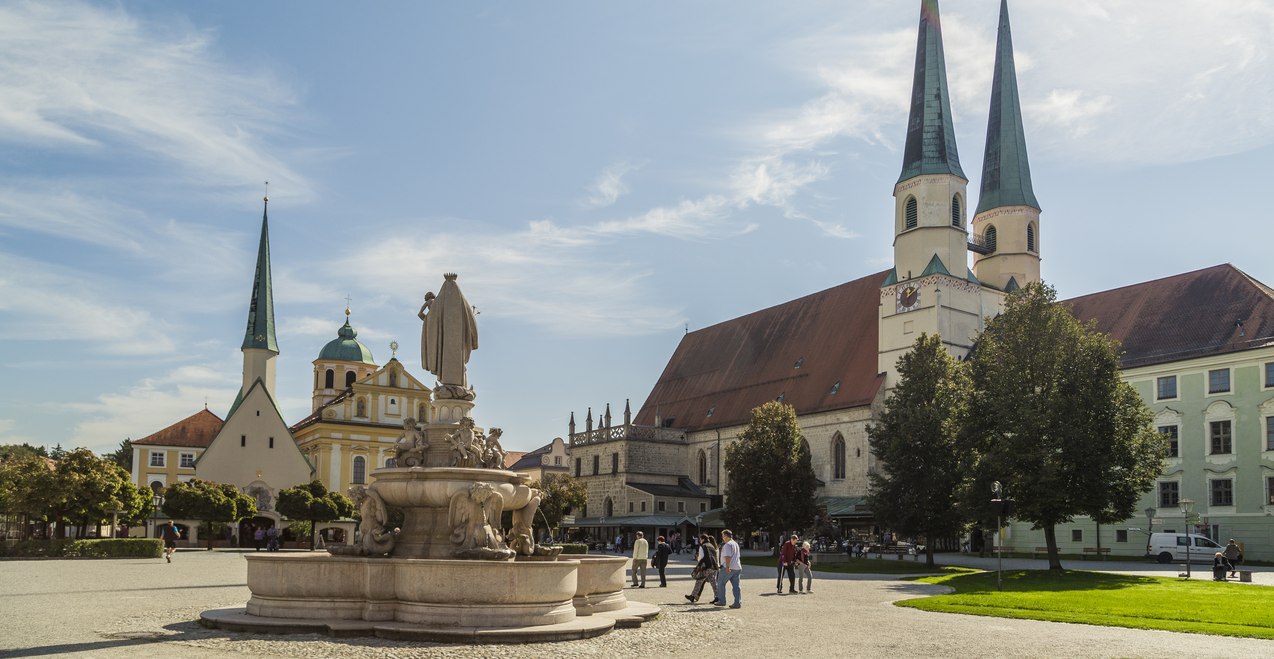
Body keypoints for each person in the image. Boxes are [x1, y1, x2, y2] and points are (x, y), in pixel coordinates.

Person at [685, 534, 718, 604]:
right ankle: (717, 596)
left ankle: (692, 596)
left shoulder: (703, 546)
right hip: (713, 567)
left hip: (706, 567)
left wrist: (698, 564)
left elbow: (701, 558)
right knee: (714, 583)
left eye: (700, 539)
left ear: (702, 539)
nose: (700, 541)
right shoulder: (712, 546)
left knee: (699, 580)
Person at [714, 529, 743, 609]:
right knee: (736, 586)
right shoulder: (735, 544)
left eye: (723, 536)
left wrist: (727, 567)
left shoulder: (727, 545)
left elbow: (728, 557)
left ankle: (722, 601)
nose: (722, 538)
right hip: (737, 567)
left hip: (729, 567)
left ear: (726, 536)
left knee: (720, 583)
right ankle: (737, 602)